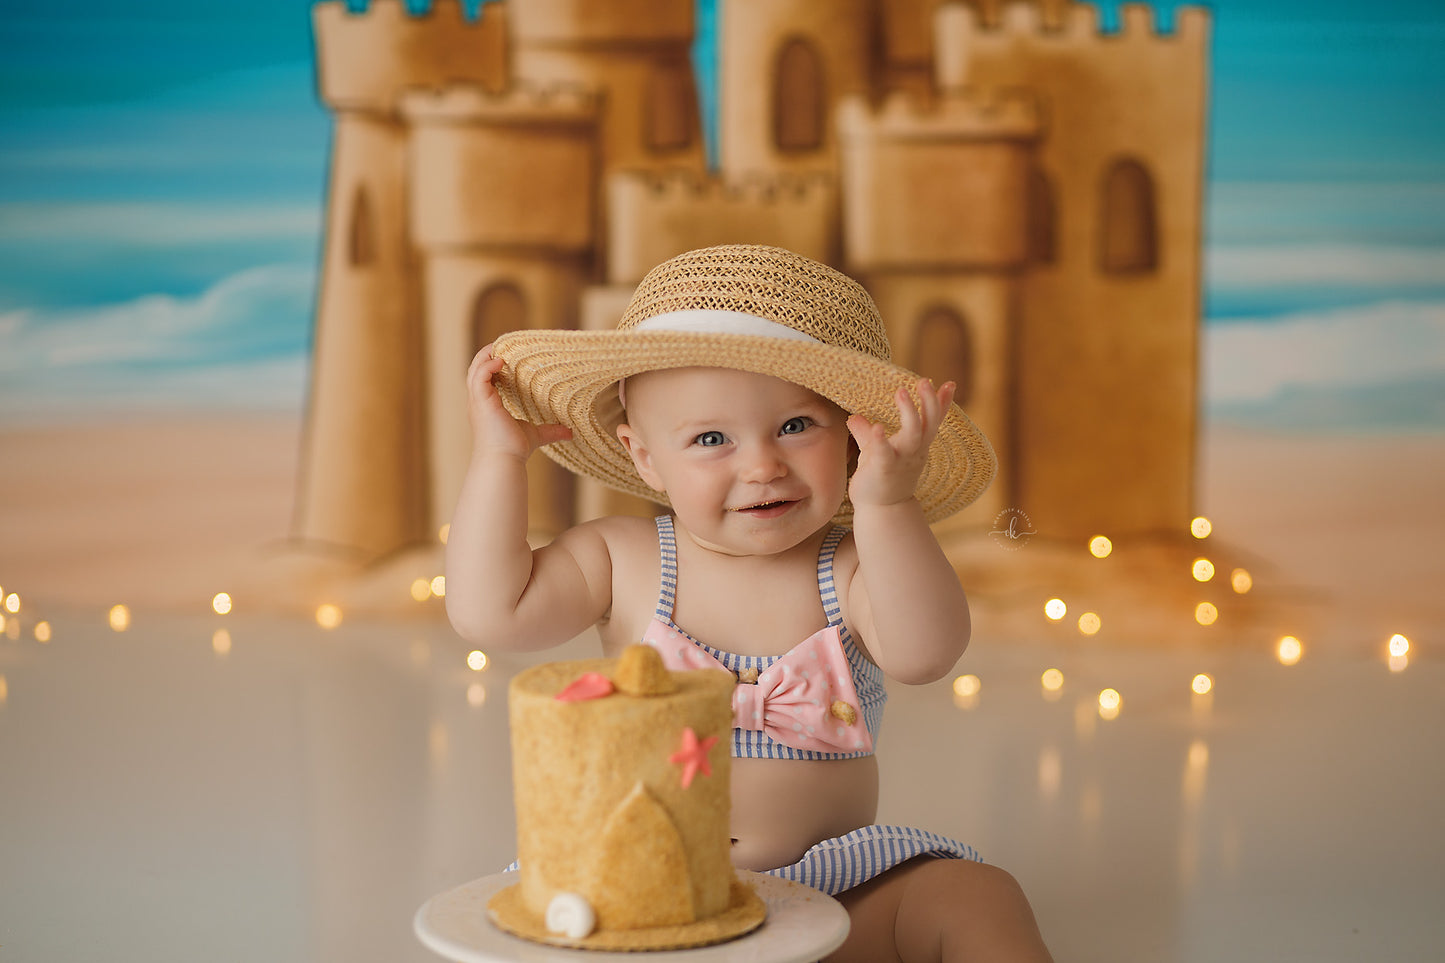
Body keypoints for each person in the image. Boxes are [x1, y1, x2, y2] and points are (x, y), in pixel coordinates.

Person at [446, 245, 1053, 962]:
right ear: (643, 456)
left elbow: (925, 653)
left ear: (854, 438)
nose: (762, 464)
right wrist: (499, 461)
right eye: (710, 438)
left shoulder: (853, 565)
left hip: (828, 894)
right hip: (643, 894)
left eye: (797, 426)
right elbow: (490, 613)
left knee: (976, 895)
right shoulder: (622, 558)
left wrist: (887, 506)